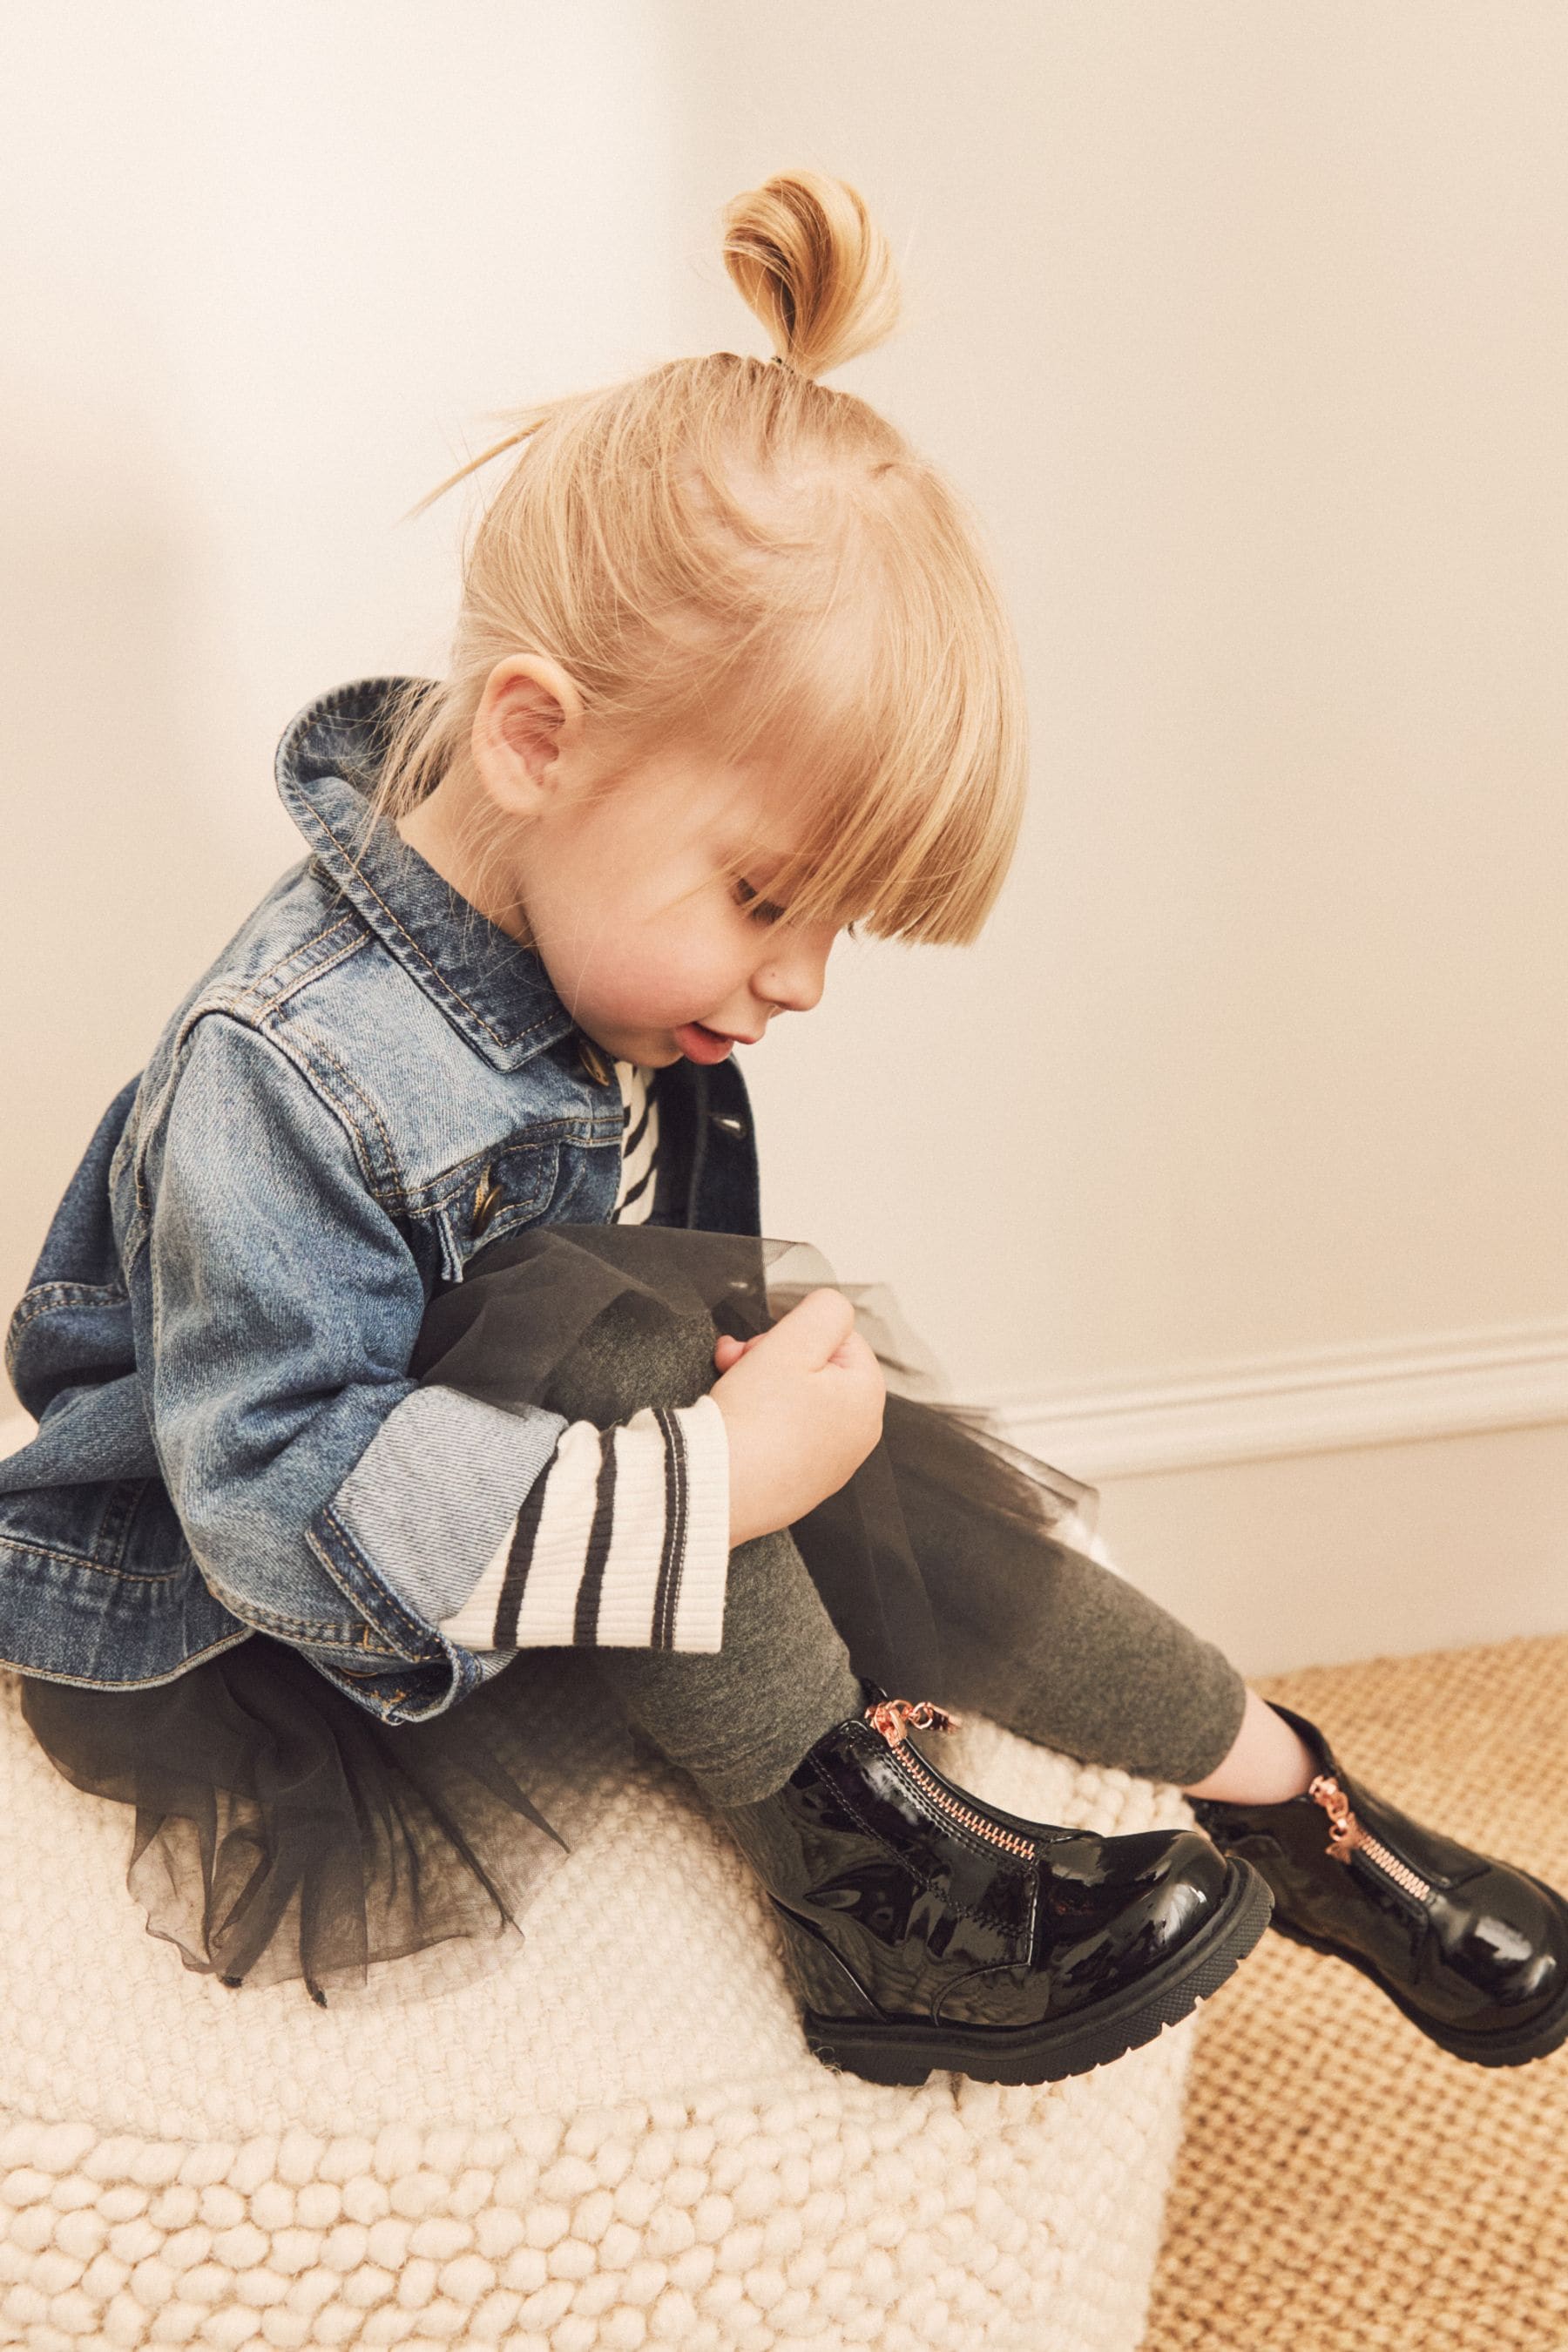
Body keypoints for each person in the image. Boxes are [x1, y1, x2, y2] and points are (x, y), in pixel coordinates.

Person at [2, 172, 1563, 2082]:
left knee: (885, 1478)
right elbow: (271, 1502)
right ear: (535, 741)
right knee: (658, 1380)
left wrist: (754, 1445)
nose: (807, 981)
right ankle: (873, 1897)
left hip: (555, 1502)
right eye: (768, 900)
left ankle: (1298, 1808)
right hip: (283, 1609)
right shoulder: (296, 1060)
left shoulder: (590, 944)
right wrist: (711, 1478)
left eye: (840, 921)